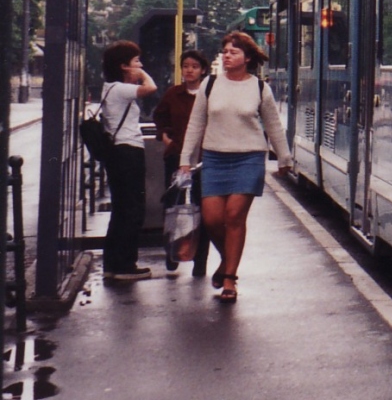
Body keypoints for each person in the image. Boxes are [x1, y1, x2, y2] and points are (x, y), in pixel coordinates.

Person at [180, 32, 293, 303]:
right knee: (212, 219)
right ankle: (226, 261)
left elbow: (273, 125)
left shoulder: (260, 88)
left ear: (248, 58)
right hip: (214, 159)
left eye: (233, 52)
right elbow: (196, 123)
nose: (227, 56)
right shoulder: (210, 84)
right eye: (225, 52)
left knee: (234, 216)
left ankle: (230, 278)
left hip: (248, 158)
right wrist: (185, 159)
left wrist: (284, 158)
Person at [99, 41, 159, 281]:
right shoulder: (120, 89)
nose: (140, 65)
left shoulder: (110, 88)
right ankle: (125, 265)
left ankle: (112, 264)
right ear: (123, 66)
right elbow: (151, 87)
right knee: (133, 208)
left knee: (121, 209)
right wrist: (141, 74)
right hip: (128, 151)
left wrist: (135, 71)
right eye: (136, 61)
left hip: (117, 153)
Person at [153, 49, 213, 277]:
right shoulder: (173, 94)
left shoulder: (209, 95)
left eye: (194, 67)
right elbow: (160, 117)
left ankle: (200, 260)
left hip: (204, 160)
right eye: (185, 66)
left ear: (203, 70)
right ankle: (172, 252)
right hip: (176, 158)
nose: (189, 70)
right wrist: (165, 136)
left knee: (203, 208)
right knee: (173, 204)